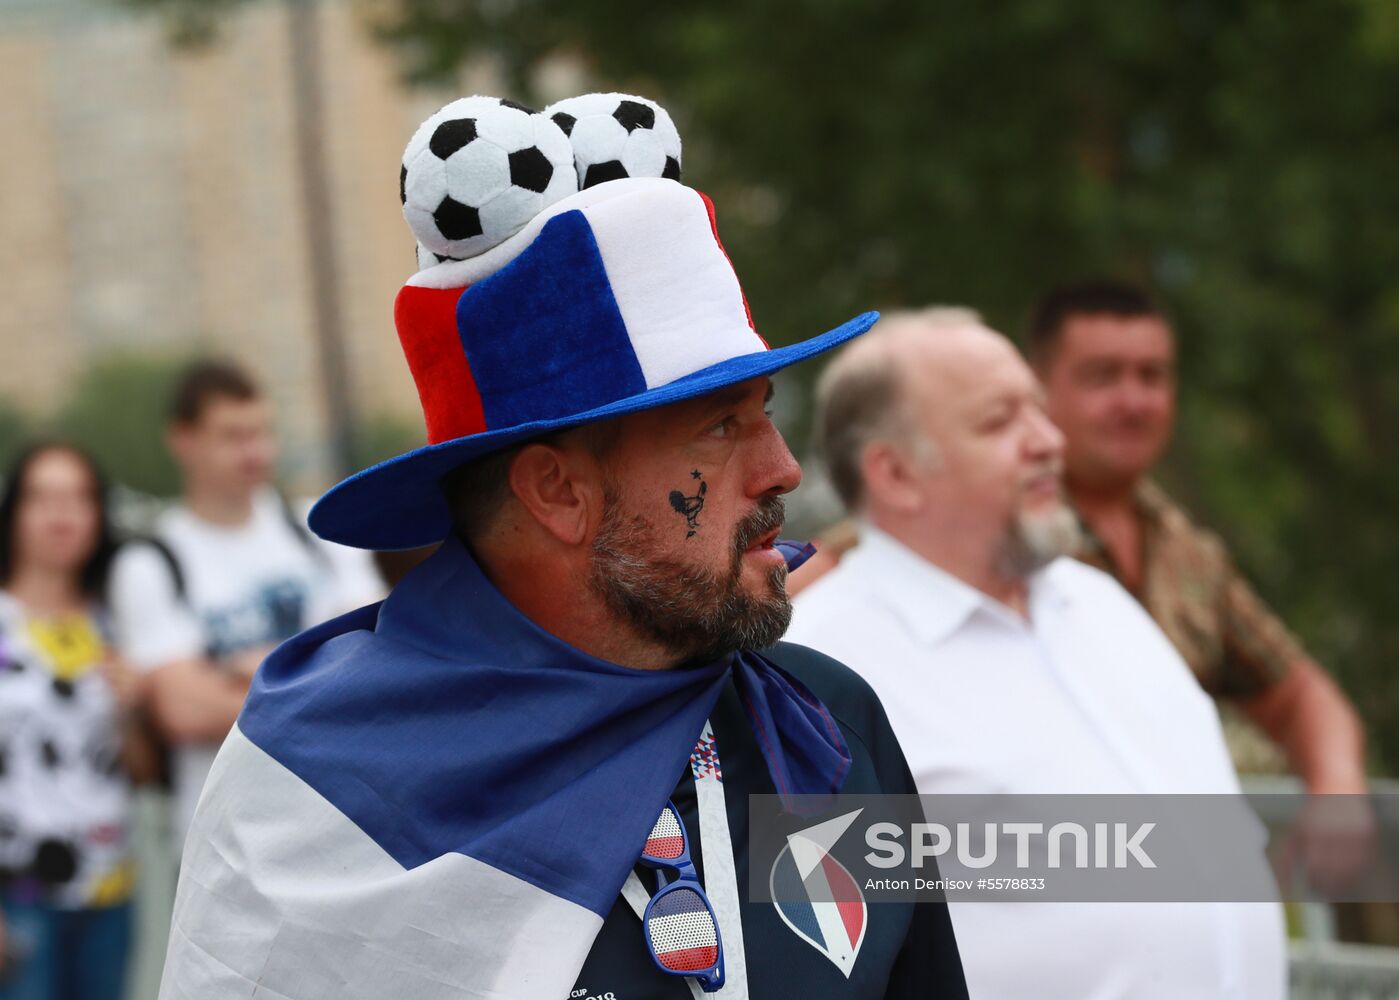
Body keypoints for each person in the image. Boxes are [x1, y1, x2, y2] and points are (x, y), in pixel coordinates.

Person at [156, 93, 967, 999]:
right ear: (556, 492)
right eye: (718, 427)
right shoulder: (317, 782)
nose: (781, 469)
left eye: (764, 413)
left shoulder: (821, 728)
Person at [787, 308, 1286, 999]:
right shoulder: (817, 670)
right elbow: (811, 947)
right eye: (1000, 422)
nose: (1050, 441)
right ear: (895, 473)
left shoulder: (1099, 602)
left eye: (1039, 412)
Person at [1026, 281, 1367, 791]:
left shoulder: (1187, 555)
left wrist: (1337, 793)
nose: (1133, 401)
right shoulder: (992, 534)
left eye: (1151, 375)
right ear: (1035, 388)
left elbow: (1300, 696)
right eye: (1102, 376)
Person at [106, 360, 384, 852]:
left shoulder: (321, 529)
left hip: (347, 827)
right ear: (183, 440)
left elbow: (380, 663)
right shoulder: (149, 562)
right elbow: (183, 709)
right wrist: (322, 671)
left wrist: (248, 669)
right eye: (233, 436)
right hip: (226, 845)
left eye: (262, 432)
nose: (255, 451)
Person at [0, 443, 154, 1000]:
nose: (61, 514)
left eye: (78, 498)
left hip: (109, 888)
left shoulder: (116, 621)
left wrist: (132, 711)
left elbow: (140, 774)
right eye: (43, 497)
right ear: (14, 512)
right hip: (17, 897)